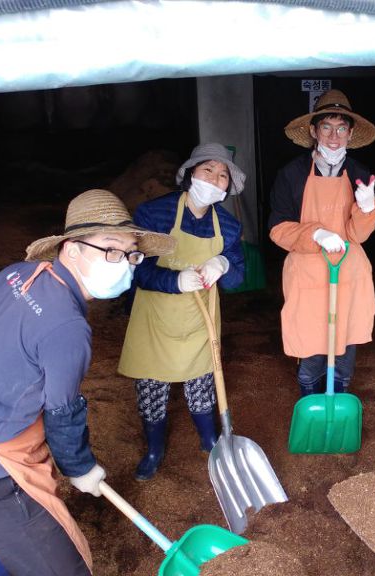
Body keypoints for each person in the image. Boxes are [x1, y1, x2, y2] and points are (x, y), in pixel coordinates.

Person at [0, 189, 175, 576]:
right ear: (71, 250)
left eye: (129, 254)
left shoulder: (18, 275)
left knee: (15, 545)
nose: (123, 264)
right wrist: (81, 468)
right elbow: (62, 414)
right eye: (110, 249)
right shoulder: (69, 328)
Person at [118, 143, 246, 481]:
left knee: (202, 385)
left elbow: (237, 279)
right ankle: (154, 449)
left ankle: (210, 441)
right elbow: (137, 271)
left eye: (223, 176)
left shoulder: (229, 227)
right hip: (155, 321)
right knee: (151, 392)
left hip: (200, 320)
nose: (215, 180)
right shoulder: (154, 214)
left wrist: (223, 263)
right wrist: (175, 279)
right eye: (208, 171)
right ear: (190, 173)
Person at [268, 89, 375, 398]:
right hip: (308, 273)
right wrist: (315, 234)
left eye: (341, 128)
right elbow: (277, 228)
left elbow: (358, 235)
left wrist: (367, 209)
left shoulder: (359, 174)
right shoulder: (291, 174)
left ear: (351, 132)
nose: (334, 136)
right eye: (327, 127)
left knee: (345, 344)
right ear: (313, 131)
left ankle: (340, 394)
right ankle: (309, 394)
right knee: (311, 345)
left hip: (349, 271)